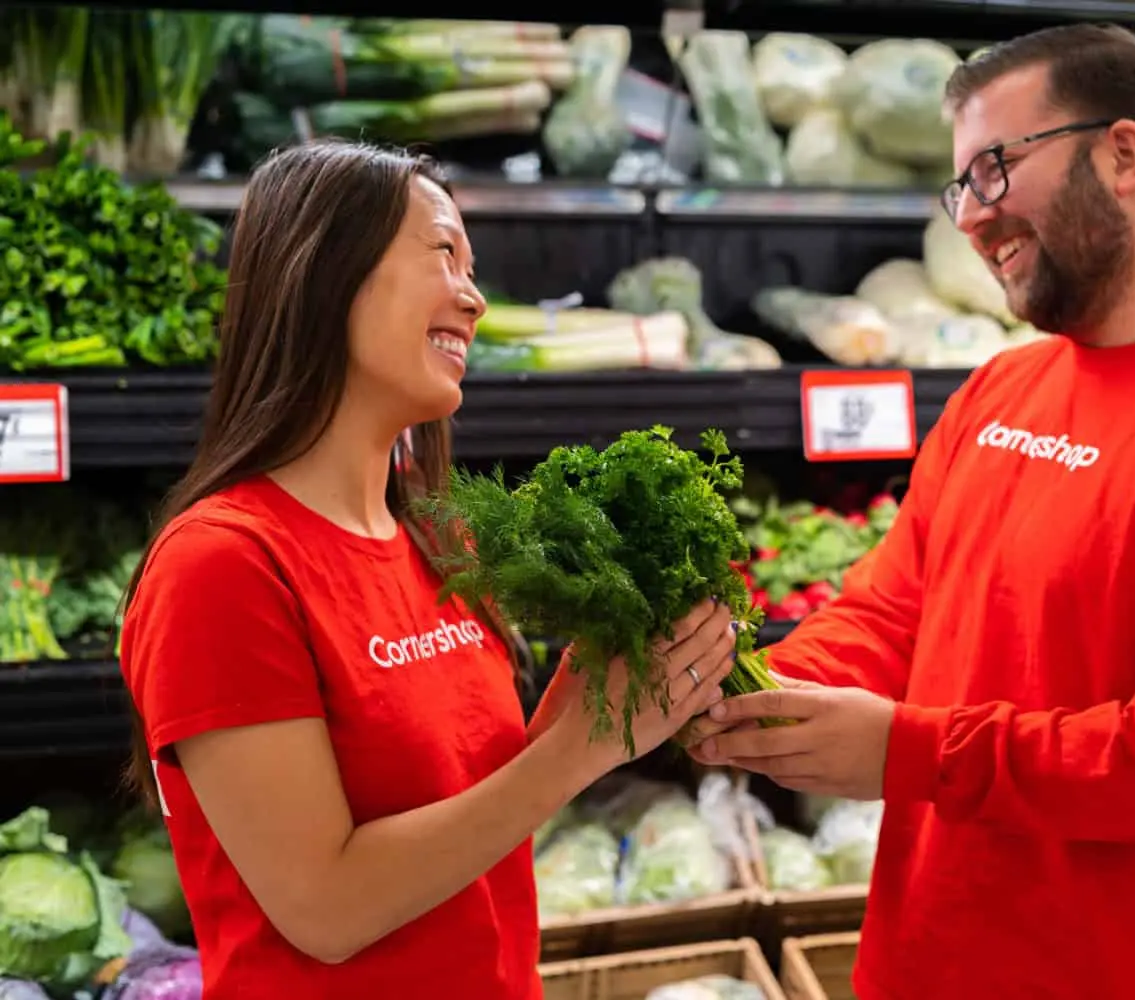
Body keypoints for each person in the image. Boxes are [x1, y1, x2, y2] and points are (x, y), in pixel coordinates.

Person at [687, 23, 1135, 999]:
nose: (970, 219)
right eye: (958, 186)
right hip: (923, 964)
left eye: (994, 170)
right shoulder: (998, 392)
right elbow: (895, 619)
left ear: (1122, 152)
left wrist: (911, 751)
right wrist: (737, 690)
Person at [118, 141, 737, 1000]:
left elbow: (478, 799)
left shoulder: (437, 534)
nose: (476, 298)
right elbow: (325, 907)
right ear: (325, 268)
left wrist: (614, 686)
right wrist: (581, 754)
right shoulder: (221, 565)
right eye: (445, 254)